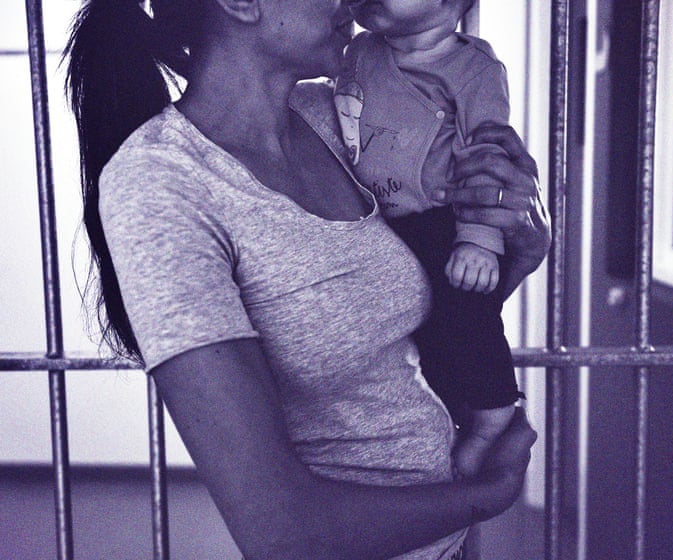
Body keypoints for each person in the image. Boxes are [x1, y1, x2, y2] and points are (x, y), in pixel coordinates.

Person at [64, 1, 549, 559]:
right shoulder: (162, 183)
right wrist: (485, 495)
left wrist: (515, 249)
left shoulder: (338, 117)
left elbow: (396, 327)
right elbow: (281, 533)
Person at [334, 0, 522, 478]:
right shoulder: (360, 50)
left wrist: (480, 237)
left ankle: (493, 409)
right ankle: (438, 415)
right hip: (378, 222)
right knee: (414, 336)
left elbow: (489, 153)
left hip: (446, 223)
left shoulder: (473, 68)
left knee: (466, 316)